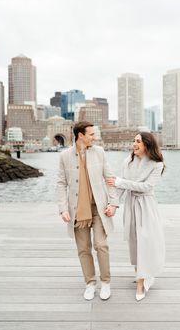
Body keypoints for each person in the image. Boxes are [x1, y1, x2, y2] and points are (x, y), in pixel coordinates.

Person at [57, 121, 118, 301]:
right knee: (83, 249)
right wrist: (63, 209)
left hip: (99, 207)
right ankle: (90, 283)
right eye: (91, 134)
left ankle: (105, 283)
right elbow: (61, 183)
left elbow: (109, 178)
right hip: (77, 209)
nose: (94, 137)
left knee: (101, 245)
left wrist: (113, 203)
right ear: (80, 135)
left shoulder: (99, 152)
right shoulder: (65, 156)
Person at [106, 132, 165, 301]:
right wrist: (113, 205)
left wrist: (119, 182)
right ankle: (141, 274)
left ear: (147, 144)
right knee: (134, 242)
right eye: (134, 141)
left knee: (145, 242)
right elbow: (121, 188)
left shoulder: (157, 164)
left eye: (138, 141)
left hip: (146, 206)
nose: (134, 144)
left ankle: (141, 283)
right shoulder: (128, 161)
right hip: (131, 205)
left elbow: (146, 187)